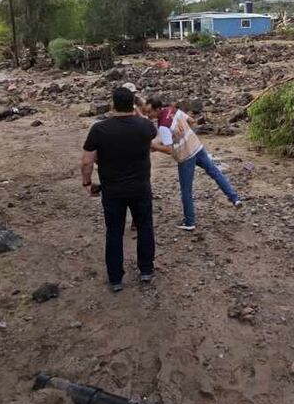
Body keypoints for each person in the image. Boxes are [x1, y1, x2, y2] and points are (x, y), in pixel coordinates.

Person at [81, 87, 158, 292]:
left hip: (112, 190)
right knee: (145, 227)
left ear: (112, 104)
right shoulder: (145, 126)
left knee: (114, 232)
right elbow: (152, 135)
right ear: (133, 104)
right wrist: (136, 112)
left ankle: (115, 278)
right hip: (141, 188)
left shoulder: (99, 129)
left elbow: (87, 162)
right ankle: (146, 270)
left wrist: (87, 183)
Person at [143, 97, 242, 231]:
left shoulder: (163, 126)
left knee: (186, 190)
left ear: (157, 109)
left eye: (150, 112)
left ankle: (189, 221)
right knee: (215, 173)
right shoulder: (173, 110)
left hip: (185, 156)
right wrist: (181, 134)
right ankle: (234, 198)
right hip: (197, 146)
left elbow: (168, 149)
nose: (148, 115)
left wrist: (153, 145)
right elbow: (191, 120)